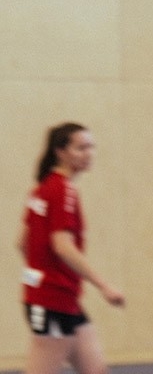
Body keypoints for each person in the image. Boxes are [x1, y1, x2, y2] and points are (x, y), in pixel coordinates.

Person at [18, 122, 125, 374]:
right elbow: (63, 247)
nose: (89, 153)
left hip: (63, 299)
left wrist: (35, 279)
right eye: (81, 148)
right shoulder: (63, 191)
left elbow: (23, 244)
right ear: (61, 151)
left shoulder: (43, 188)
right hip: (52, 301)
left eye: (91, 147)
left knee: (96, 370)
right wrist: (104, 285)